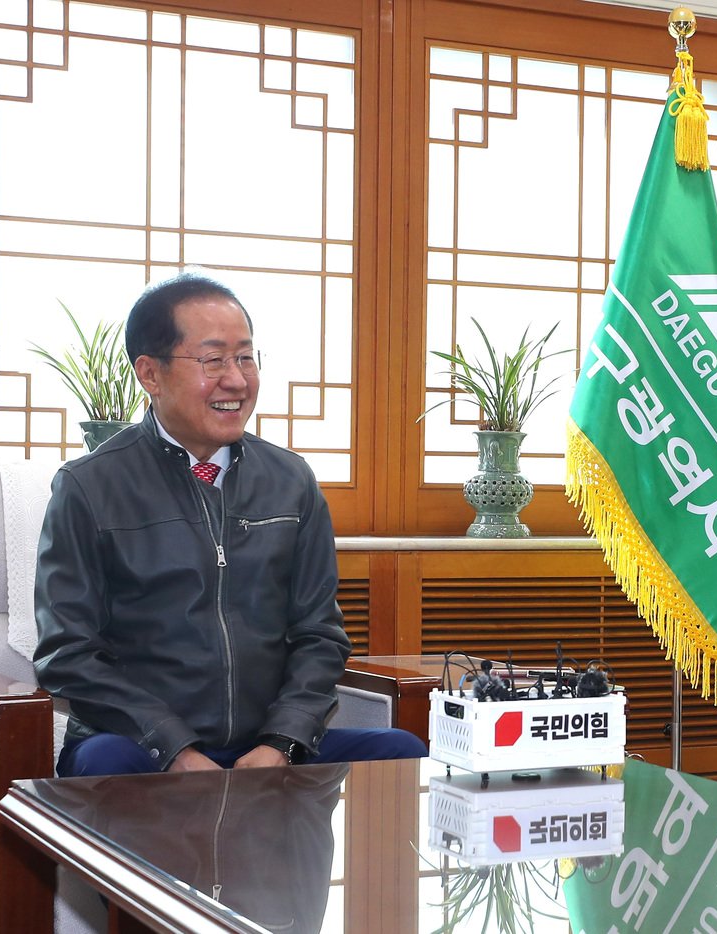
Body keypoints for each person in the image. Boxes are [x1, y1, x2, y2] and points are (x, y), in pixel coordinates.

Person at [34, 272, 427, 776]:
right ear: (150, 374)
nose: (237, 380)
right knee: (104, 761)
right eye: (213, 360)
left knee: (400, 752)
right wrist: (174, 749)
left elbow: (319, 635)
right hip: (142, 747)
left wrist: (281, 743)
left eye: (245, 357)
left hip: (265, 745)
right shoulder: (88, 486)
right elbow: (68, 654)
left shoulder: (291, 480)